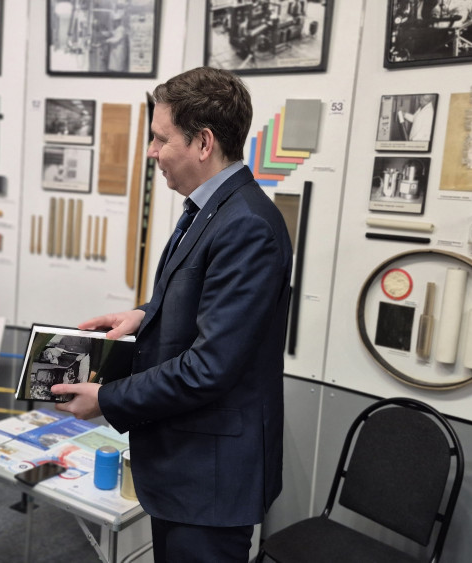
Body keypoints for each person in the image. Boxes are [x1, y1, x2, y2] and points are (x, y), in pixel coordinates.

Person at [52, 67, 293, 562]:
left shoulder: (246, 225)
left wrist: (107, 399)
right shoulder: (210, 210)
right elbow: (206, 301)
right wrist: (144, 315)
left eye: (161, 139)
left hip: (210, 478)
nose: (151, 151)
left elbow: (210, 367)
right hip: (186, 466)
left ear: (203, 143)